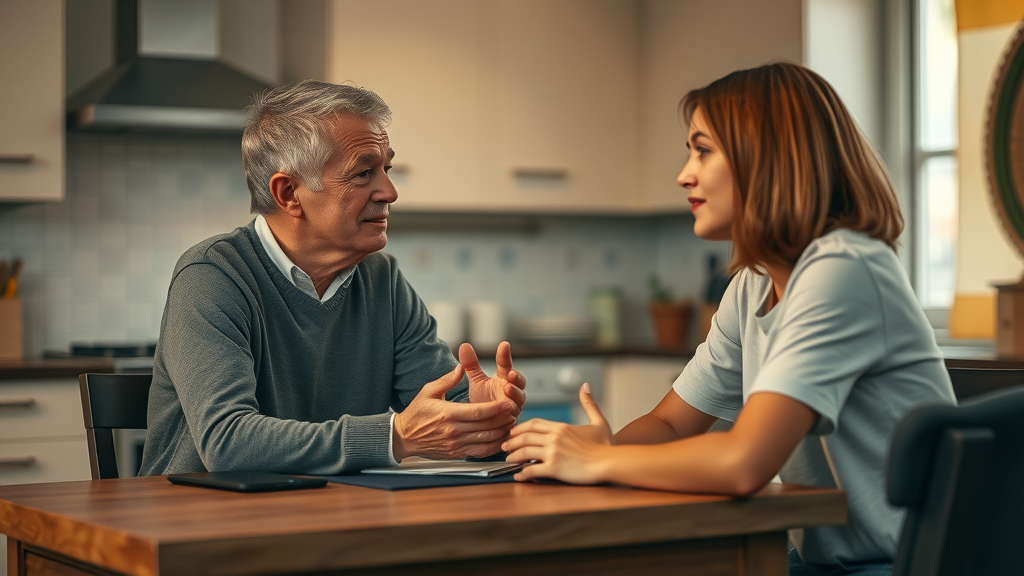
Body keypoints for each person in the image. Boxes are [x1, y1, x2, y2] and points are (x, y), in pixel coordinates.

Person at [503, 62, 955, 576]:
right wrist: (602, 449)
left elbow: (744, 463)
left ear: (770, 159)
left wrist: (599, 462)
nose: (684, 174)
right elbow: (672, 422)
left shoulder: (843, 269)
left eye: (703, 150)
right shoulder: (753, 284)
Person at [140, 80, 526, 476]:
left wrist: (482, 417)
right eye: (363, 173)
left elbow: (450, 421)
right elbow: (227, 443)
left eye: (386, 169)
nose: (390, 192)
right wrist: (396, 436)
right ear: (289, 193)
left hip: (329, 515)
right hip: (200, 524)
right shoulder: (212, 276)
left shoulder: (382, 281)